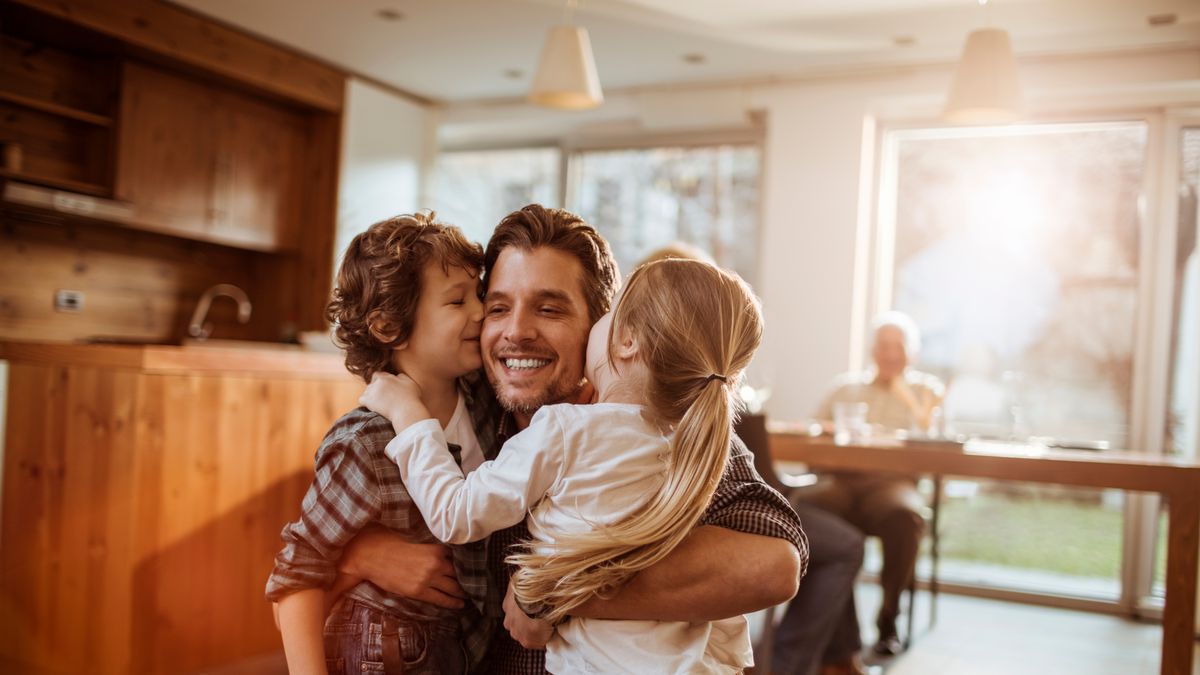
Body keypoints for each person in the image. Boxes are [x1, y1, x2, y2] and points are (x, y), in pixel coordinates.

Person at [338, 204, 808, 674]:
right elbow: (311, 545)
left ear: (607, 325)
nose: (516, 332)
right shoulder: (457, 404)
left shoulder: (677, 422)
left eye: (549, 309)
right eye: (498, 308)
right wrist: (357, 557)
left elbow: (774, 562)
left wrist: (552, 590)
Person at [265, 213, 499, 674]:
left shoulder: (486, 404)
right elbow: (295, 576)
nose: (480, 312)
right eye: (457, 301)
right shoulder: (363, 444)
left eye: (480, 295)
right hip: (385, 653)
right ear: (389, 326)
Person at [798, 310, 944, 657]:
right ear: (871, 350)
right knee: (804, 506)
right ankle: (838, 625)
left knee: (906, 516)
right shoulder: (844, 388)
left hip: (892, 485)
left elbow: (936, 444)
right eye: (883, 345)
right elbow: (812, 435)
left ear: (914, 352)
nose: (890, 353)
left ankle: (889, 618)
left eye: (899, 346)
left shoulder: (925, 392)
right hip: (841, 482)